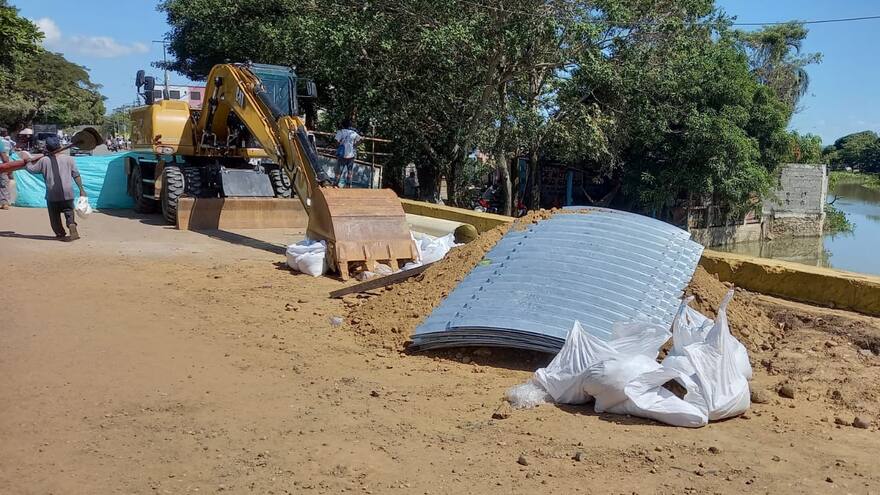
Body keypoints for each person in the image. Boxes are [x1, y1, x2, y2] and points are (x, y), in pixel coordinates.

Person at [23, 136, 87, 241]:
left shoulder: (44, 160)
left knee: (54, 216)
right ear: (60, 145)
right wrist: (81, 189)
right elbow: (76, 175)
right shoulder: (69, 159)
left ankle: (60, 232)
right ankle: (71, 223)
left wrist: (28, 162)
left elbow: (31, 169)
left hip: (52, 194)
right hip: (67, 193)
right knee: (69, 211)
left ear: (47, 148)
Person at [334, 119, 362, 188]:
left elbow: (336, 142)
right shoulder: (353, 133)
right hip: (351, 155)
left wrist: (339, 145)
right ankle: (348, 185)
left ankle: (336, 184)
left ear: (343, 125)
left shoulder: (340, 132)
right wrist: (355, 145)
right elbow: (361, 139)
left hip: (342, 154)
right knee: (349, 171)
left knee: (339, 170)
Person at [0, 128, 11, 209]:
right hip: (2, 166)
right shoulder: (2, 142)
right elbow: (4, 156)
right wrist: (8, 167)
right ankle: (4, 203)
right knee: (4, 183)